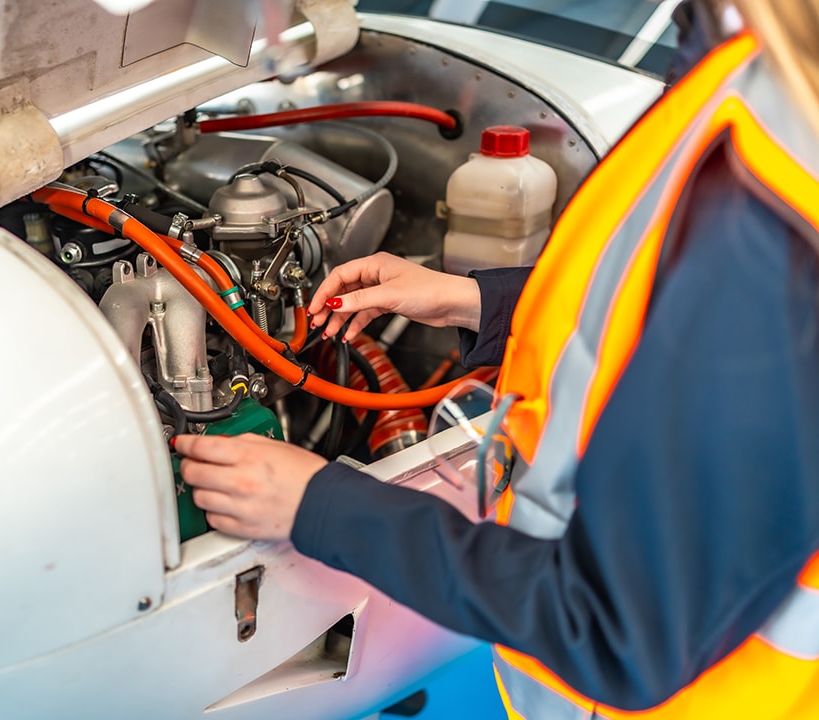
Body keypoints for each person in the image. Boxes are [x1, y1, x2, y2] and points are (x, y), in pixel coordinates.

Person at [175, 0, 819, 716]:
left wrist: (319, 504)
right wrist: (473, 300)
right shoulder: (758, 74)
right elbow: (651, 294)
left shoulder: (773, 217)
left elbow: (615, 636)